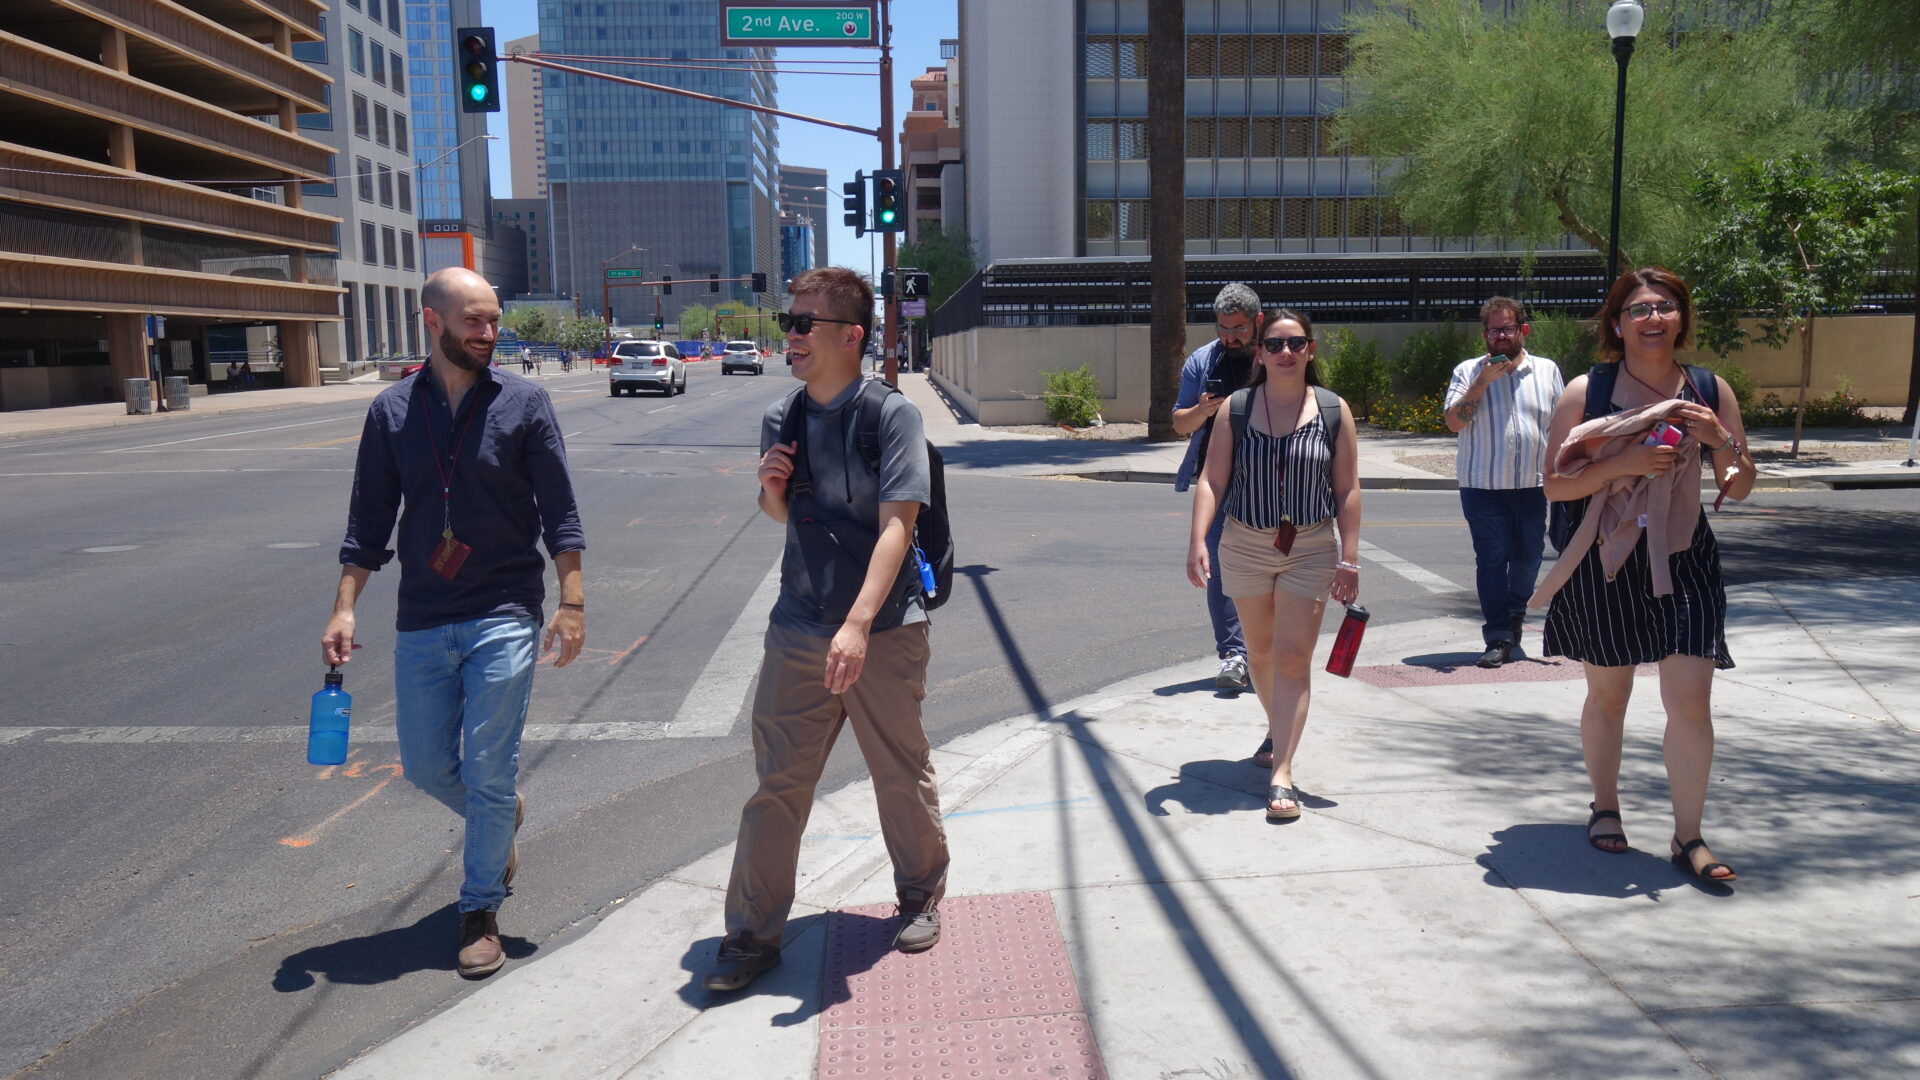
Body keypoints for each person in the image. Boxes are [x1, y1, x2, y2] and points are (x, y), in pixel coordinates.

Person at [322, 267, 587, 977]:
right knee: (426, 765)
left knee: (489, 767)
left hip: (504, 608)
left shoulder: (525, 403)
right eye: (474, 321)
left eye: (494, 320)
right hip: (424, 615)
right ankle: (500, 813)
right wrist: (346, 604)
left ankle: (480, 910)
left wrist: (572, 601)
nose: (490, 334)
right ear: (432, 322)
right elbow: (369, 521)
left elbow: (559, 510)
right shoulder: (391, 412)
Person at [705, 267, 948, 992]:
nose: (792, 334)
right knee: (777, 783)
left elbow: (897, 528)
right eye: (789, 320)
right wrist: (771, 491)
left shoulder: (889, 416)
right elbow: (786, 517)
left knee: (900, 775)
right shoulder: (782, 418)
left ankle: (921, 893)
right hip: (798, 627)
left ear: (850, 335)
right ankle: (751, 933)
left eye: (804, 322)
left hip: (883, 629)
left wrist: (858, 625)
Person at [1531, 267, 1754, 883]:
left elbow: (1740, 485)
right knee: (1610, 694)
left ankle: (1690, 837)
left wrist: (1720, 441)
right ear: (1617, 323)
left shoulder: (1710, 389)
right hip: (1607, 558)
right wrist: (1624, 460)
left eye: (1664, 307)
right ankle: (1605, 805)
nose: (1652, 318)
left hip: (1686, 557)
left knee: (1690, 700)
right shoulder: (1588, 392)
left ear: (1681, 318)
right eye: (1638, 309)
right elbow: (1554, 482)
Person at [1186, 309, 1361, 822]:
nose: (1286, 353)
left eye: (1296, 343)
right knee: (1258, 655)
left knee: (1290, 659)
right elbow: (1211, 481)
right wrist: (1198, 539)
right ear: (1260, 352)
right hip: (1244, 544)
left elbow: (1347, 489)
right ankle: (1278, 725)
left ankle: (1281, 771)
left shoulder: (1332, 410)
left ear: (1310, 350)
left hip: (1309, 547)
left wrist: (1349, 558)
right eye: (1275, 344)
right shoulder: (1236, 409)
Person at [1444, 297, 1565, 668]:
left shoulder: (1546, 371)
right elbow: (1454, 422)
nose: (1499, 336)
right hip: (1482, 486)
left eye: (1506, 329)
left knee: (1529, 559)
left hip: (1532, 484)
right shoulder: (1468, 371)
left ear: (1522, 330)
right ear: (1485, 334)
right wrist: (1481, 383)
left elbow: (1562, 426)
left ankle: (1514, 614)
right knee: (1492, 561)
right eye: (1493, 330)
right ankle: (1497, 635)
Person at [1173, 283, 1261, 701]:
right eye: (1224, 328)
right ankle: (1234, 655)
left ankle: (1267, 651)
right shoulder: (1202, 361)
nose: (1231, 336)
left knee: (1271, 565)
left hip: (1272, 480)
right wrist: (1203, 410)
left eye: (1239, 328)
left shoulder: (1277, 352)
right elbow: (1180, 424)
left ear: (1257, 322)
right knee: (1220, 569)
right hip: (1220, 478)